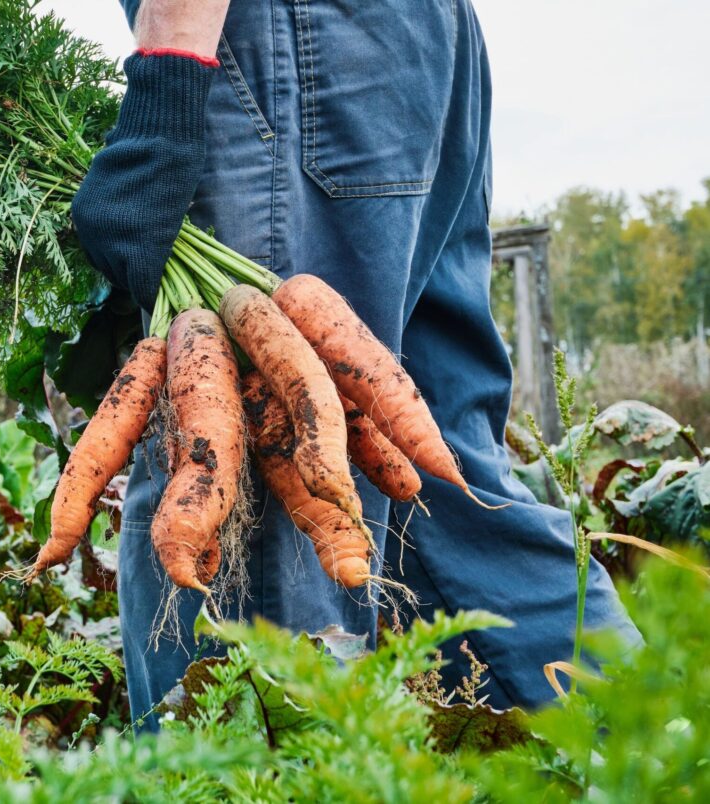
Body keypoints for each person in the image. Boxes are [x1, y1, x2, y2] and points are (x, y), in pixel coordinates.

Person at [70, 0, 641, 730]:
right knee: (441, 470)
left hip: (293, 47)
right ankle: (645, 742)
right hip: (416, 40)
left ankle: (269, 773)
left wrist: (170, 75)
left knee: (256, 486)